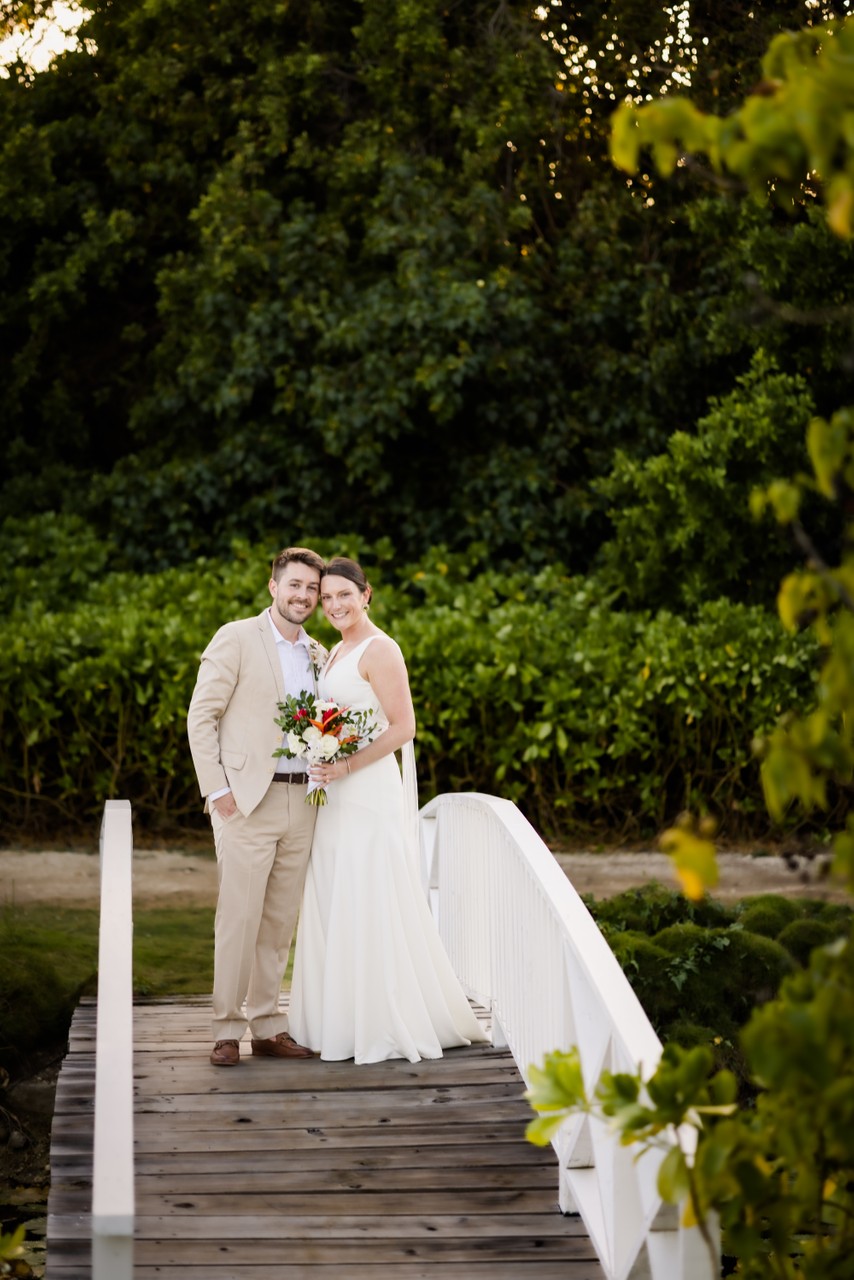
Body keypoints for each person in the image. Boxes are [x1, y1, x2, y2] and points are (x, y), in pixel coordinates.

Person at [288, 556, 489, 1064]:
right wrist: (319, 750)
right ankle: (338, 1017)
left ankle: (381, 1020)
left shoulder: (382, 649)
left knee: (368, 890)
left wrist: (347, 765)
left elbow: (404, 728)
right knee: (336, 889)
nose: (333, 605)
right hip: (333, 792)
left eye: (343, 595)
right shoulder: (335, 651)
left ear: (366, 594)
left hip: (365, 789)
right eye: (326, 597)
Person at [187, 546, 327, 1067]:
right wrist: (217, 790)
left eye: (311, 588)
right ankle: (226, 1027)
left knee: (278, 921)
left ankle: (269, 1024)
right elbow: (201, 717)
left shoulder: (317, 652)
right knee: (238, 918)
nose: (304, 596)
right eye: (295, 585)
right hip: (246, 801)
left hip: (303, 801)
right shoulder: (236, 636)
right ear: (273, 586)